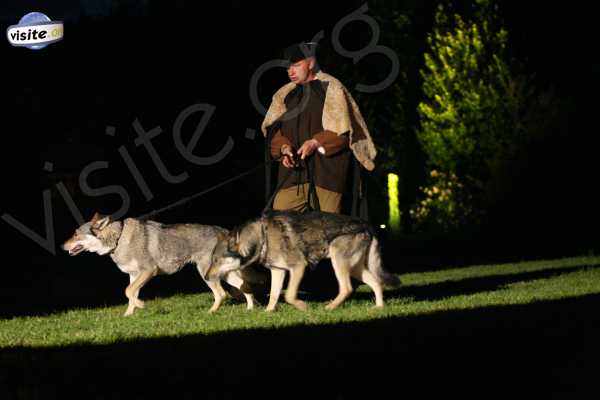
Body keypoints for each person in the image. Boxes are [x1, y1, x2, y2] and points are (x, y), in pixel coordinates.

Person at [261, 42, 377, 215]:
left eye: (296, 65)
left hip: (327, 176)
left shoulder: (332, 89)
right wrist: (284, 148)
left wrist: (316, 143)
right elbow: (273, 131)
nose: (290, 71)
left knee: (328, 232)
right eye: (288, 67)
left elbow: (344, 133)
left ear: (311, 63)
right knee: (280, 227)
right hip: (292, 176)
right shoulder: (284, 95)